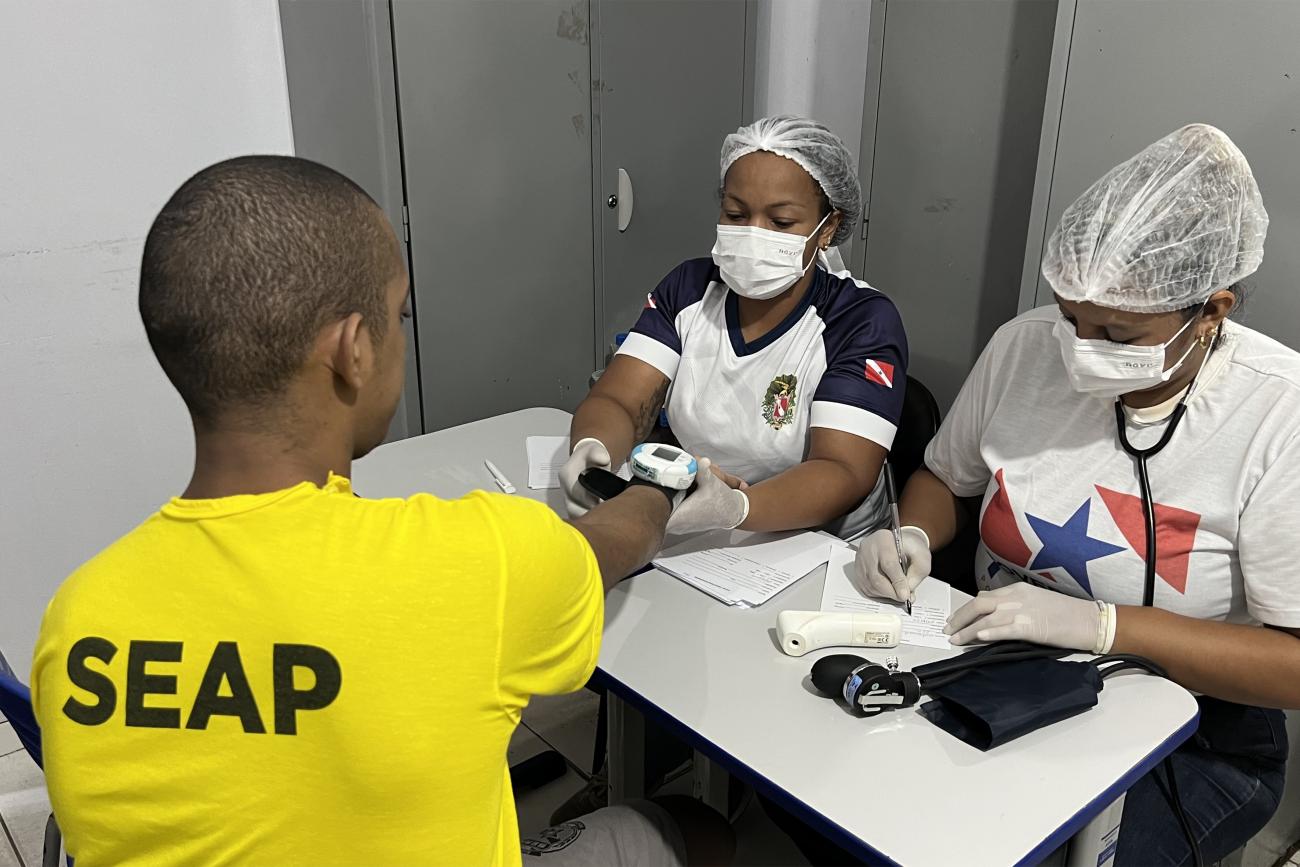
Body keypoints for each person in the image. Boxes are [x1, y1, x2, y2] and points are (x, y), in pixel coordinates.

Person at [30, 156, 733, 867]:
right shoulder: (474, 562)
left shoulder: (77, 615)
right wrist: (660, 487)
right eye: (398, 315)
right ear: (353, 349)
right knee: (692, 828)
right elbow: (618, 538)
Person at [855, 124, 1299, 865]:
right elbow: (944, 478)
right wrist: (913, 536)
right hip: (998, 672)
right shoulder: (1025, 347)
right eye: (1071, 319)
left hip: (1194, 731)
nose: (1081, 348)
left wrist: (1102, 627)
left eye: (1119, 333)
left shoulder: (1279, 412)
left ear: (1211, 311)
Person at [562, 115, 909, 539]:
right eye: (736, 213)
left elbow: (842, 470)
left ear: (829, 227)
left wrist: (737, 508)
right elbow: (620, 399)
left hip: (821, 543)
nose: (752, 235)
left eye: (781, 223)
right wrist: (592, 449)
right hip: (699, 527)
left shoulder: (859, 321)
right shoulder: (690, 288)